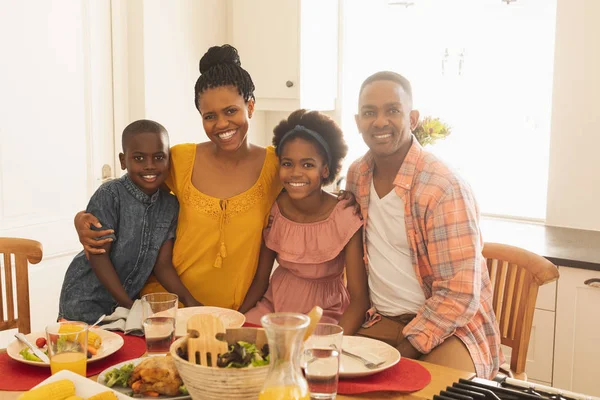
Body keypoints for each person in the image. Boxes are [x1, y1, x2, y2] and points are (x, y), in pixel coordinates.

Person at [73, 44, 356, 310]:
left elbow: (309, 190)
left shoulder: (274, 165)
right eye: (209, 116)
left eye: (231, 111)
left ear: (251, 106)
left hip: (235, 310)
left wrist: (344, 201)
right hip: (169, 305)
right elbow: (131, 183)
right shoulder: (181, 159)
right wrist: (82, 218)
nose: (221, 124)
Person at [345, 71, 502, 378]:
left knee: (436, 390)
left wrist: (402, 354)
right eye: (369, 112)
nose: (379, 121)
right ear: (357, 121)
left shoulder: (442, 186)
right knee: (336, 383)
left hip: (449, 328)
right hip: (380, 319)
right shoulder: (357, 175)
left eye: (392, 110)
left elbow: (458, 294)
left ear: (413, 118)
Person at [239, 110, 370, 335]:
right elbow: (261, 280)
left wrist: (334, 346)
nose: (296, 173)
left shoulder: (345, 215)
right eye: (288, 163)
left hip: (324, 313)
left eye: (308, 165)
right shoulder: (275, 208)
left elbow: (359, 299)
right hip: (273, 306)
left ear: (325, 169)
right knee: (241, 347)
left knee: (303, 360)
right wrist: (236, 318)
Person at [59, 120, 201, 324]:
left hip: (123, 307)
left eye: (159, 157)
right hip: (84, 301)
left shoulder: (170, 205)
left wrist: (189, 300)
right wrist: (129, 304)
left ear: (169, 160)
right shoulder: (110, 195)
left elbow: (162, 265)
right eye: (139, 158)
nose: (150, 165)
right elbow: (98, 256)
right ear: (123, 161)